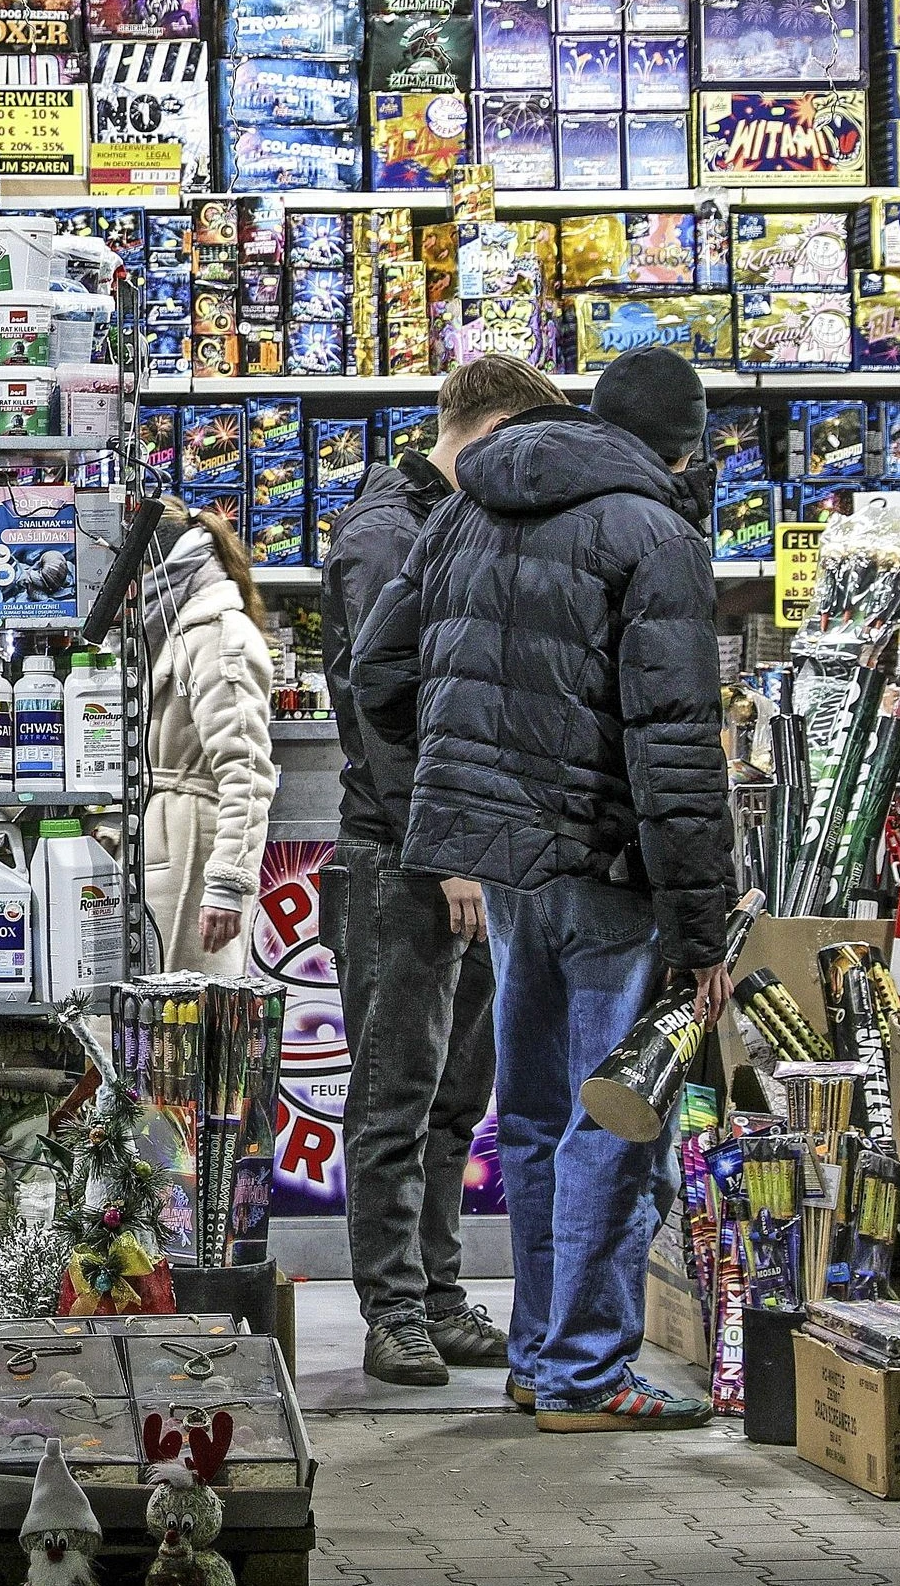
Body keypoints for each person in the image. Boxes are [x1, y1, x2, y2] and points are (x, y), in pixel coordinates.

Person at [352, 346, 737, 1431]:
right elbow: (676, 753)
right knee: (616, 1117)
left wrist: (471, 768)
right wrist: (703, 926)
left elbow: (378, 674)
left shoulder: (466, 508)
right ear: (680, 448)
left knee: (527, 1111)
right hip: (608, 871)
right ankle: (583, 1372)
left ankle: (537, 1354)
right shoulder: (659, 534)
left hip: (509, 865)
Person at [321, 354, 565, 1387]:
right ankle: (392, 1310)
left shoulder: (454, 520)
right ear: (486, 427)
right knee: (395, 1092)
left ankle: (436, 1291)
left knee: (453, 1097)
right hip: (402, 856)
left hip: (464, 851)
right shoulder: (388, 534)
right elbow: (392, 716)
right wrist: (453, 850)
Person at [140, 501, 277, 977]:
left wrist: (226, 882)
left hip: (194, 844)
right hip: (169, 836)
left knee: (179, 1016)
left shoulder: (219, 636)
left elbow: (248, 771)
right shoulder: (178, 630)